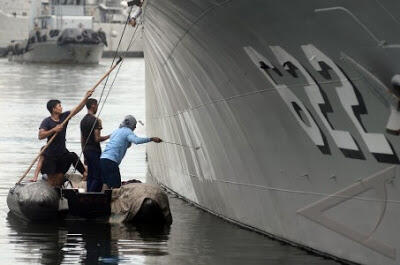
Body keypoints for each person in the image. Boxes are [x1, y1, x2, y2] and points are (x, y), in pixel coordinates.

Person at [38, 89, 93, 187]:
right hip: (51, 155)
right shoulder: (47, 121)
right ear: (53, 109)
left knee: (72, 156)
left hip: (62, 153)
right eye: (59, 106)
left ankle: (85, 173)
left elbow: (77, 109)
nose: (61, 107)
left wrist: (86, 97)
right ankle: (51, 183)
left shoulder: (64, 117)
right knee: (52, 179)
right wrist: (54, 130)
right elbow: (40, 136)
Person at [100, 115, 162, 189]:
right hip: (111, 162)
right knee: (116, 187)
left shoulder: (116, 131)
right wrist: (151, 139)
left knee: (105, 185)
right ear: (131, 124)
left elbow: (119, 144)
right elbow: (136, 140)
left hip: (102, 160)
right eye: (134, 125)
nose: (135, 128)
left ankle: (102, 200)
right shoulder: (128, 131)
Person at [80, 98, 110, 192]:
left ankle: (88, 196)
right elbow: (97, 139)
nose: (97, 107)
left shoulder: (83, 120)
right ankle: (91, 195)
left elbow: (82, 139)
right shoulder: (96, 120)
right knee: (98, 176)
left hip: (86, 150)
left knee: (90, 176)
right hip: (94, 151)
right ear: (93, 105)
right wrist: (109, 136)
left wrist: (84, 154)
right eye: (96, 105)